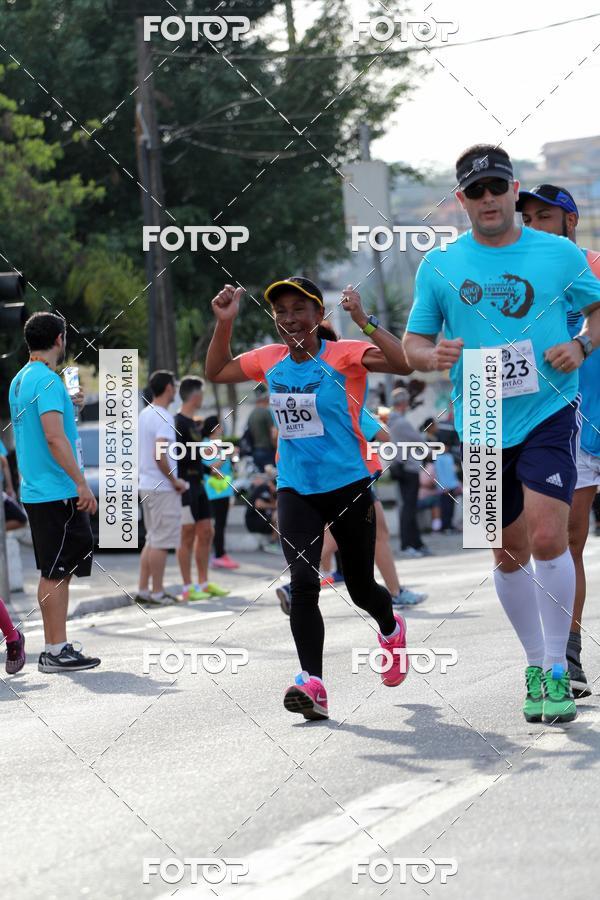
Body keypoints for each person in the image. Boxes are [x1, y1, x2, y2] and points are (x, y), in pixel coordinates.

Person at [403, 144, 600, 724]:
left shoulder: (560, 255)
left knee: (547, 539)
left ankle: (560, 671)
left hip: (548, 408)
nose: (488, 199)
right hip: (482, 412)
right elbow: (414, 342)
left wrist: (582, 344)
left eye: (497, 187)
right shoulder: (439, 266)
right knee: (507, 552)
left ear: (515, 190)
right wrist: (429, 355)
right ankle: (536, 664)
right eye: (476, 191)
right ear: (461, 200)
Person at [206, 275, 413, 720]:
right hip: (295, 486)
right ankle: (312, 683)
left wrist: (365, 320)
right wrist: (224, 323)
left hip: (348, 485)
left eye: (300, 309)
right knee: (303, 583)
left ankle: (391, 628)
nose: (290, 319)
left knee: (360, 587)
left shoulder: (345, 355)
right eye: (281, 311)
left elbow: (404, 364)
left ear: (320, 315)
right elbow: (216, 372)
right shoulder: (270, 360)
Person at [518, 183, 600, 697]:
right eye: (527, 218)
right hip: (572, 428)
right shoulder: (524, 280)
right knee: (568, 543)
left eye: (544, 217)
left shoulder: (593, 264)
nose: (533, 227)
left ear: (569, 221)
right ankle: (567, 658)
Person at [9, 311, 100, 672]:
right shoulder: (47, 380)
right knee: (57, 570)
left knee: (54, 568)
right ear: (60, 339)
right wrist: (80, 483)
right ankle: (55, 649)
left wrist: (71, 406)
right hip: (55, 489)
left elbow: (46, 427)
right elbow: (53, 436)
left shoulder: (21, 379)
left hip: (36, 487)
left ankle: (54, 646)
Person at [276, 409, 427, 614]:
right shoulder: (347, 400)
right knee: (373, 536)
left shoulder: (315, 401)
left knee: (345, 537)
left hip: (324, 479)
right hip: (353, 478)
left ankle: (295, 585)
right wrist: (380, 419)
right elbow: (385, 437)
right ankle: (394, 593)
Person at [174, 377, 229, 600]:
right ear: (195, 395)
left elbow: (194, 457)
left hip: (199, 485)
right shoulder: (177, 423)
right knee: (187, 535)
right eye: (202, 394)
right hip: (185, 487)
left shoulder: (194, 424)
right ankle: (188, 588)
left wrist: (209, 472)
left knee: (207, 531)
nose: (202, 398)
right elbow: (175, 458)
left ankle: (203, 583)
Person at [137, 370, 187, 604]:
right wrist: (174, 480)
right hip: (162, 487)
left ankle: (144, 589)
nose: (175, 391)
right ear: (168, 388)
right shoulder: (165, 416)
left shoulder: (145, 414)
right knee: (160, 541)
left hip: (146, 485)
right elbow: (160, 453)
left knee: (152, 539)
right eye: (174, 387)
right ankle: (157, 592)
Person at [388, 387, 431, 557]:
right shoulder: (402, 423)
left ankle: (416, 543)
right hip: (409, 468)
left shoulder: (389, 421)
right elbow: (420, 441)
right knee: (409, 508)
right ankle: (408, 545)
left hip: (399, 467)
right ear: (403, 403)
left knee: (408, 506)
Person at [201, 415, 239, 569]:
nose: (222, 429)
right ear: (213, 428)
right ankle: (218, 555)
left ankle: (220, 554)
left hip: (222, 490)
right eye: (219, 426)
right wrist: (227, 454)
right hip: (215, 491)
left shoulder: (215, 444)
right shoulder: (207, 445)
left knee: (220, 525)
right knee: (219, 525)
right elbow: (213, 469)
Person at [244, 468, 280, 552]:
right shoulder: (264, 488)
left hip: (265, 520)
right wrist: (274, 506)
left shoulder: (275, 493)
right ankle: (272, 543)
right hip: (254, 521)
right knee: (278, 515)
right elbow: (258, 504)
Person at [247, 384, 276, 471]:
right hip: (268, 453)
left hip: (256, 453)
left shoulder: (251, 415)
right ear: (265, 396)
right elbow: (274, 434)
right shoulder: (267, 412)